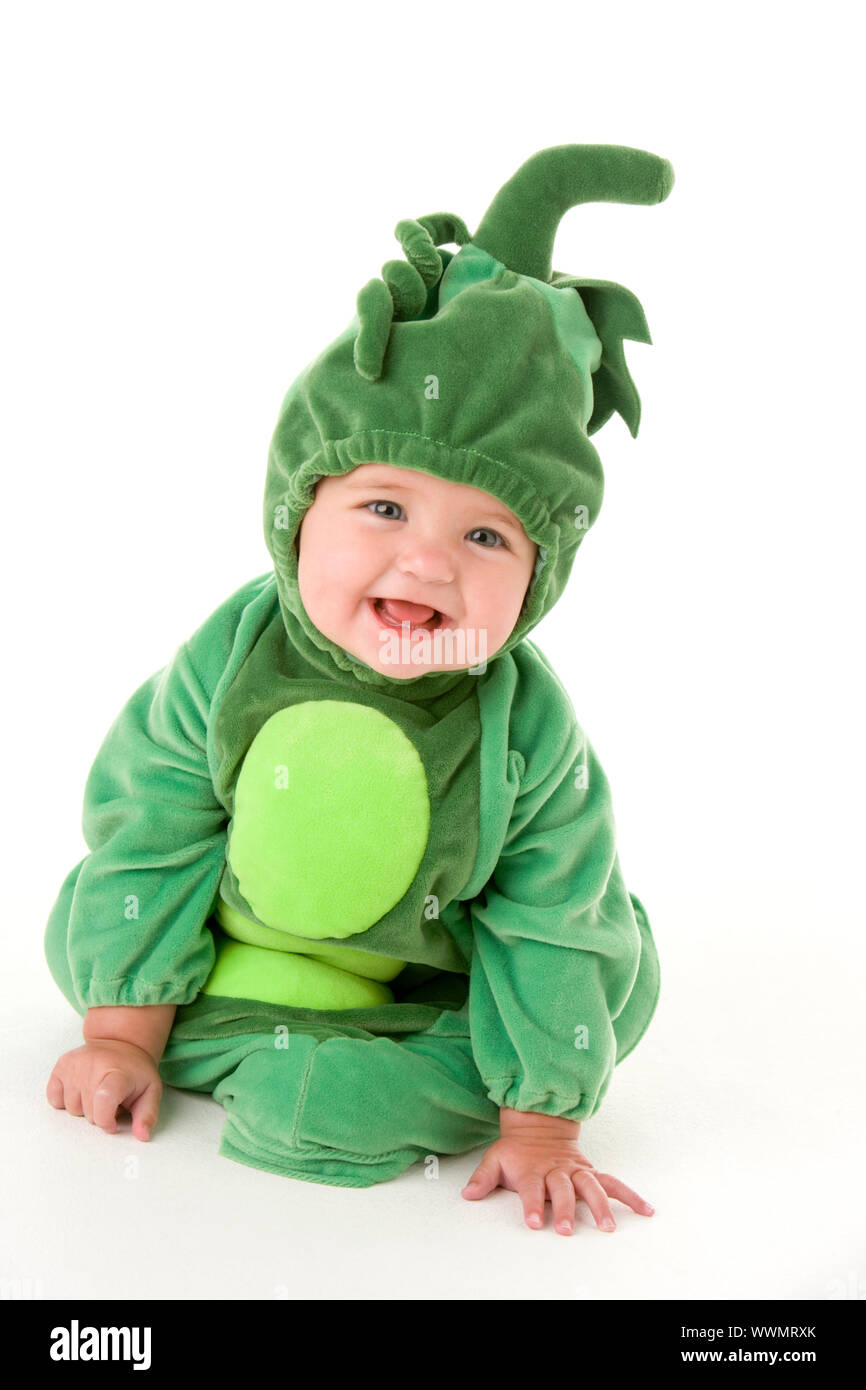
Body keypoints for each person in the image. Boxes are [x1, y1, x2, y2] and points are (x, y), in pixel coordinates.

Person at [44, 142, 673, 1236]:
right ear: (299, 510)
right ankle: (196, 1024)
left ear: (536, 581)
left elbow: (551, 916)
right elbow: (152, 827)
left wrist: (538, 1128)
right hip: (234, 946)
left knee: (599, 978)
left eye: (484, 533)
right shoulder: (234, 654)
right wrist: (122, 1033)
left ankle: (360, 1070)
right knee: (87, 932)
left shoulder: (524, 724)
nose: (427, 564)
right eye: (383, 508)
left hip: (426, 982)